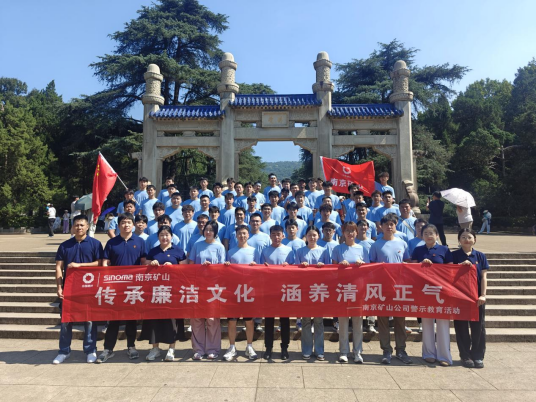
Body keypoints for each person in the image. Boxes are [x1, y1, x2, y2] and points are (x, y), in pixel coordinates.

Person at [52, 215, 103, 364]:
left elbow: (100, 263)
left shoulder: (95, 244)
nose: (79, 228)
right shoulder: (65, 245)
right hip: (70, 289)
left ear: (87, 227)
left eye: (82, 225)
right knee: (66, 320)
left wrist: (79, 265)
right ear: (72, 227)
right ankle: (64, 351)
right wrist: (59, 287)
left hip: (89, 288)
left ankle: (90, 350)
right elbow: (59, 267)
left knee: (89, 320)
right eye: (76, 225)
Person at [97, 213, 147, 363]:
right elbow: (105, 263)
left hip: (133, 287)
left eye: (129, 222)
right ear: (118, 226)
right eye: (123, 222)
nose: (126, 225)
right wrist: (106, 281)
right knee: (114, 320)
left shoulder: (139, 241)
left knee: (131, 319)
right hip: (115, 287)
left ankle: (131, 346)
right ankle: (108, 349)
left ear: (133, 225)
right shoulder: (112, 242)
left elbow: (143, 262)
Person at [139, 225, 187, 362]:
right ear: (158, 237)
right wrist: (151, 263)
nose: (164, 237)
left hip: (173, 291)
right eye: (161, 235)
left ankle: (171, 348)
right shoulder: (153, 251)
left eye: (167, 235)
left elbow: (186, 269)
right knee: (154, 319)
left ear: (171, 236)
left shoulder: (178, 251)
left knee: (172, 320)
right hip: (155, 291)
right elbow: (144, 266)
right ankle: (155, 348)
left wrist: (173, 267)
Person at [369, 214, 412, 365]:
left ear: (395, 226)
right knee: (383, 321)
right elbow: (371, 266)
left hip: (399, 288)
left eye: (392, 224)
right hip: (382, 288)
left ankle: (401, 349)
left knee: (400, 320)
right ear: (380, 226)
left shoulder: (402, 243)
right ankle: (386, 350)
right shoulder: (376, 245)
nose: (389, 227)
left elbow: (407, 262)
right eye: (386, 224)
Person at [411, 224, 453, 366]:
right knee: (427, 322)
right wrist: (421, 264)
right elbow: (412, 269)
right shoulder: (418, 250)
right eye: (425, 233)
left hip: (441, 291)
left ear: (437, 235)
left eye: (431, 233)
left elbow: (451, 269)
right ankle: (428, 353)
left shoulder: (444, 249)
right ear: (421, 236)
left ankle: (444, 356)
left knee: (442, 324)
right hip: (424, 291)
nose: (428, 236)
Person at [188, 220, 226, 360]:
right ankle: (198, 349)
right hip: (198, 286)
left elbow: (222, 268)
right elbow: (191, 264)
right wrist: (201, 267)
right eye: (206, 229)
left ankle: (213, 349)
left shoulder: (220, 247)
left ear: (215, 232)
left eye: (211, 230)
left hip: (213, 287)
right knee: (197, 319)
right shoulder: (197, 245)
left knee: (212, 319)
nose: (208, 232)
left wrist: (212, 268)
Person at [331, 222, 368, 363]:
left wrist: (361, 264)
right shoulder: (337, 249)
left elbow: (368, 268)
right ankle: (344, 351)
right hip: (343, 289)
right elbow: (332, 269)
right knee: (343, 322)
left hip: (358, 289)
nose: (350, 233)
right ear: (343, 232)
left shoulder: (362, 248)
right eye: (347, 230)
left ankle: (357, 352)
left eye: (352, 231)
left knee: (358, 323)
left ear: (357, 233)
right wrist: (340, 265)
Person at [223, 224, 260, 361]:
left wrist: (255, 266)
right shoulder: (230, 252)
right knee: (232, 321)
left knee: (249, 321)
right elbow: (226, 272)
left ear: (248, 235)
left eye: (244, 233)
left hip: (249, 290)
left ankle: (249, 346)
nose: (242, 236)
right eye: (239, 233)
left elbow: (261, 270)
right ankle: (232, 347)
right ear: (236, 235)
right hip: (234, 291)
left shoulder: (254, 251)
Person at [452, 228, 488, 369]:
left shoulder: (480, 256)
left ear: (474, 240)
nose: (466, 239)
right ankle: (465, 355)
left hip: (476, 297)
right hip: (459, 296)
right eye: (463, 237)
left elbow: (484, 277)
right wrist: (459, 267)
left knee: (478, 327)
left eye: (469, 237)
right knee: (461, 327)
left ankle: (478, 355)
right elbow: (447, 273)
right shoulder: (454, 255)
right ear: (459, 240)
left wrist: (483, 295)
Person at [295, 226, 329, 360]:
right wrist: (301, 266)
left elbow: (330, 270)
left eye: (314, 235)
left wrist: (323, 267)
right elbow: (294, 271)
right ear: (306, 236)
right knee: (306, 321)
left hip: (319, 290)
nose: (312, 237)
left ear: (318, 236)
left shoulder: (324, 251)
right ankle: (306, 350)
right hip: (305, 290)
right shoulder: (300, 251)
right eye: (309, 235)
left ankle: (319, 350)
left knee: (319, 321)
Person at [261, 225, 295, 360]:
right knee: (269, 321)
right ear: (270, 236)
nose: (276, 237)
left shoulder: (289, 251)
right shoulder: (265, 251)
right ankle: (268, 347)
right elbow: (259, 270)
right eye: (273, 234)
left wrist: (289, 267)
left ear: (283, 235)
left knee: (285, 321)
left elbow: (295, 270)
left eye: (278, 234)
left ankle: (284, 347)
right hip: (269, 290)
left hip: (284, 290)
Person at [355, 220, 377, 334]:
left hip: (369, 274)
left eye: (364, 225)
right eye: (360, 225)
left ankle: (370, 324)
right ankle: (355, 322)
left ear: (368, 228)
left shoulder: (372, 243)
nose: (362, 227)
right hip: (354, 276)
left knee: (369, 298)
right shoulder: (352, 241)